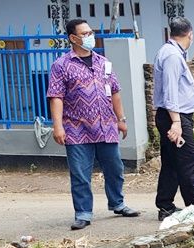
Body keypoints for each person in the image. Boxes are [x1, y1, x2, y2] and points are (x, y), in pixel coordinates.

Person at [48, 18, 139, 231]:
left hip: (106, 126)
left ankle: (118, 203)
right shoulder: (61, 65)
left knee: (115, 168)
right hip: (76, 128)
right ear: (73, 38)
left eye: (91, 33)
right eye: (85, 34)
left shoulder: (102, 62)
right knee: (80, 173)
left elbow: (115, 91)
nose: (90, 37)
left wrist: (121, 119)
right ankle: (83, 213)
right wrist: (58, 126)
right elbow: (56, 97)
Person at [153, 17, 194, 221]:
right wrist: (176, 123)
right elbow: (170, 91)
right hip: (174, 116)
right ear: (190, 34)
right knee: (189, 160)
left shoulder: (170, 52)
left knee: (172, 162)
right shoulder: (172, 56)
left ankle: (165, 205)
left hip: (173, 115)